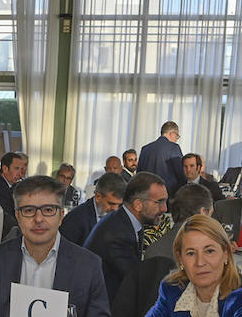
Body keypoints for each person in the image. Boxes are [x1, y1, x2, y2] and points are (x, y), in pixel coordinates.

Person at [0, 176, 112, 317]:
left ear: (61, 216)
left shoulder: (88, 264)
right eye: (29, 210)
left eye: (48, 210)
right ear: (17, 216)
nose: (38, 219)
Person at [86, 173, 168, 302]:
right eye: (159, 202)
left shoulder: (125, 221)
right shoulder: (117, 234)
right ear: (138, 205)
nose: (164, 208)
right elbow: (137, 280)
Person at [61, 172, 125, 247]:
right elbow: (65, 253)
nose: (116, 209)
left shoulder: (121, 216)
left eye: (119, 204)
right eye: (111, 204)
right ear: (98, 197)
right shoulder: (75, 219)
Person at [137, 121, 186, 190]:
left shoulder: (145, 149)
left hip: (146, 194)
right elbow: (181, 173)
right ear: (172, 134)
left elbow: (139, 175)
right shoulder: (174, 147)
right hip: (167, 194)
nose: (176, 140)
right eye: (177, 136)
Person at [0, 151, 27, 227]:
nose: (20, 174)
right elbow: (7, 219)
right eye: (16, 169)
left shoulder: (12, 186)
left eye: (21, 169)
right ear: (5, 168)